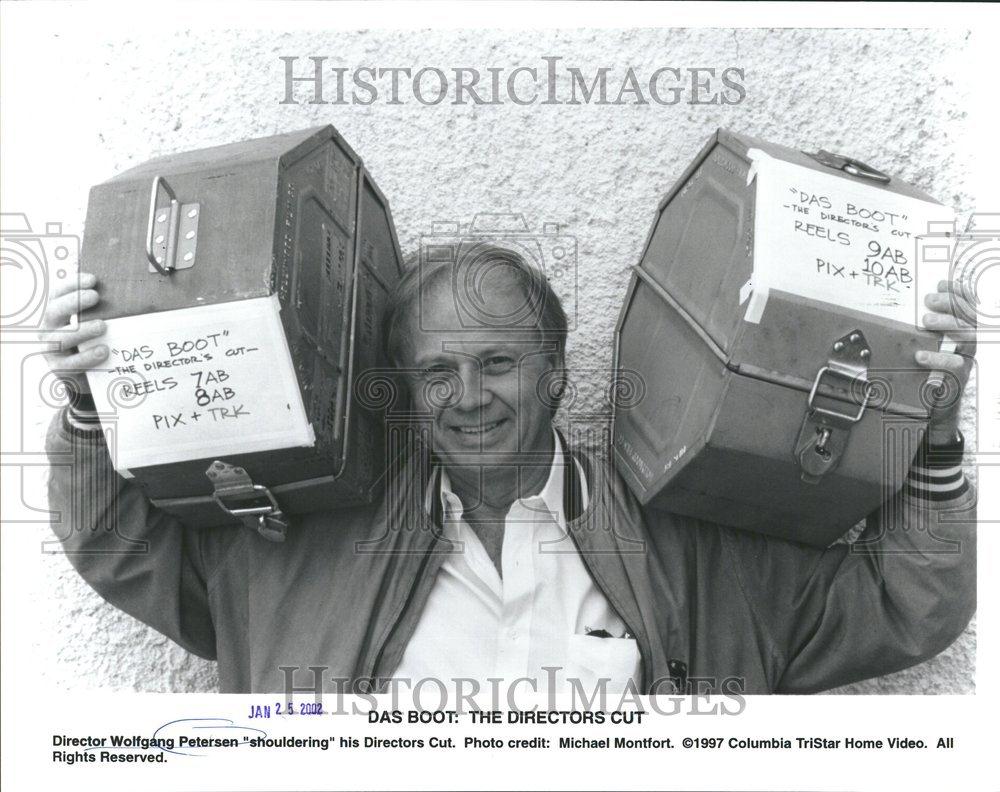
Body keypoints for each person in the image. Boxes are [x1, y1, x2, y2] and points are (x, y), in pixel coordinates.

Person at [43, 245, 976, 695]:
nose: (468, 397)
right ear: (407, 393)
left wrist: (928, 436)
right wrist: (93, 399)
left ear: (558, 376)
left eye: (497, 363)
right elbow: (119, 541)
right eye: (436, 373)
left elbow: (902, 608)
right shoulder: (303, 545)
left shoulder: (688, 540)